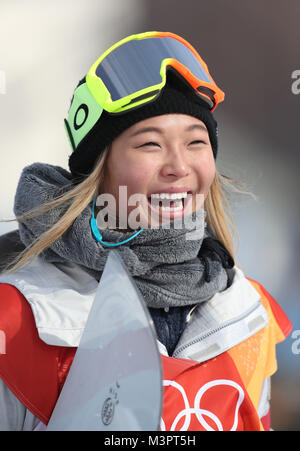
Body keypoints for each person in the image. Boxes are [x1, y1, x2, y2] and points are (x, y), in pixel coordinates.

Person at [0, 31, 292, 431]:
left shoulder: (247, 312)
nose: (178, 166)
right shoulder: (16, 316)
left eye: (196, 142)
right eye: (150, 144)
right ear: (100, 171)